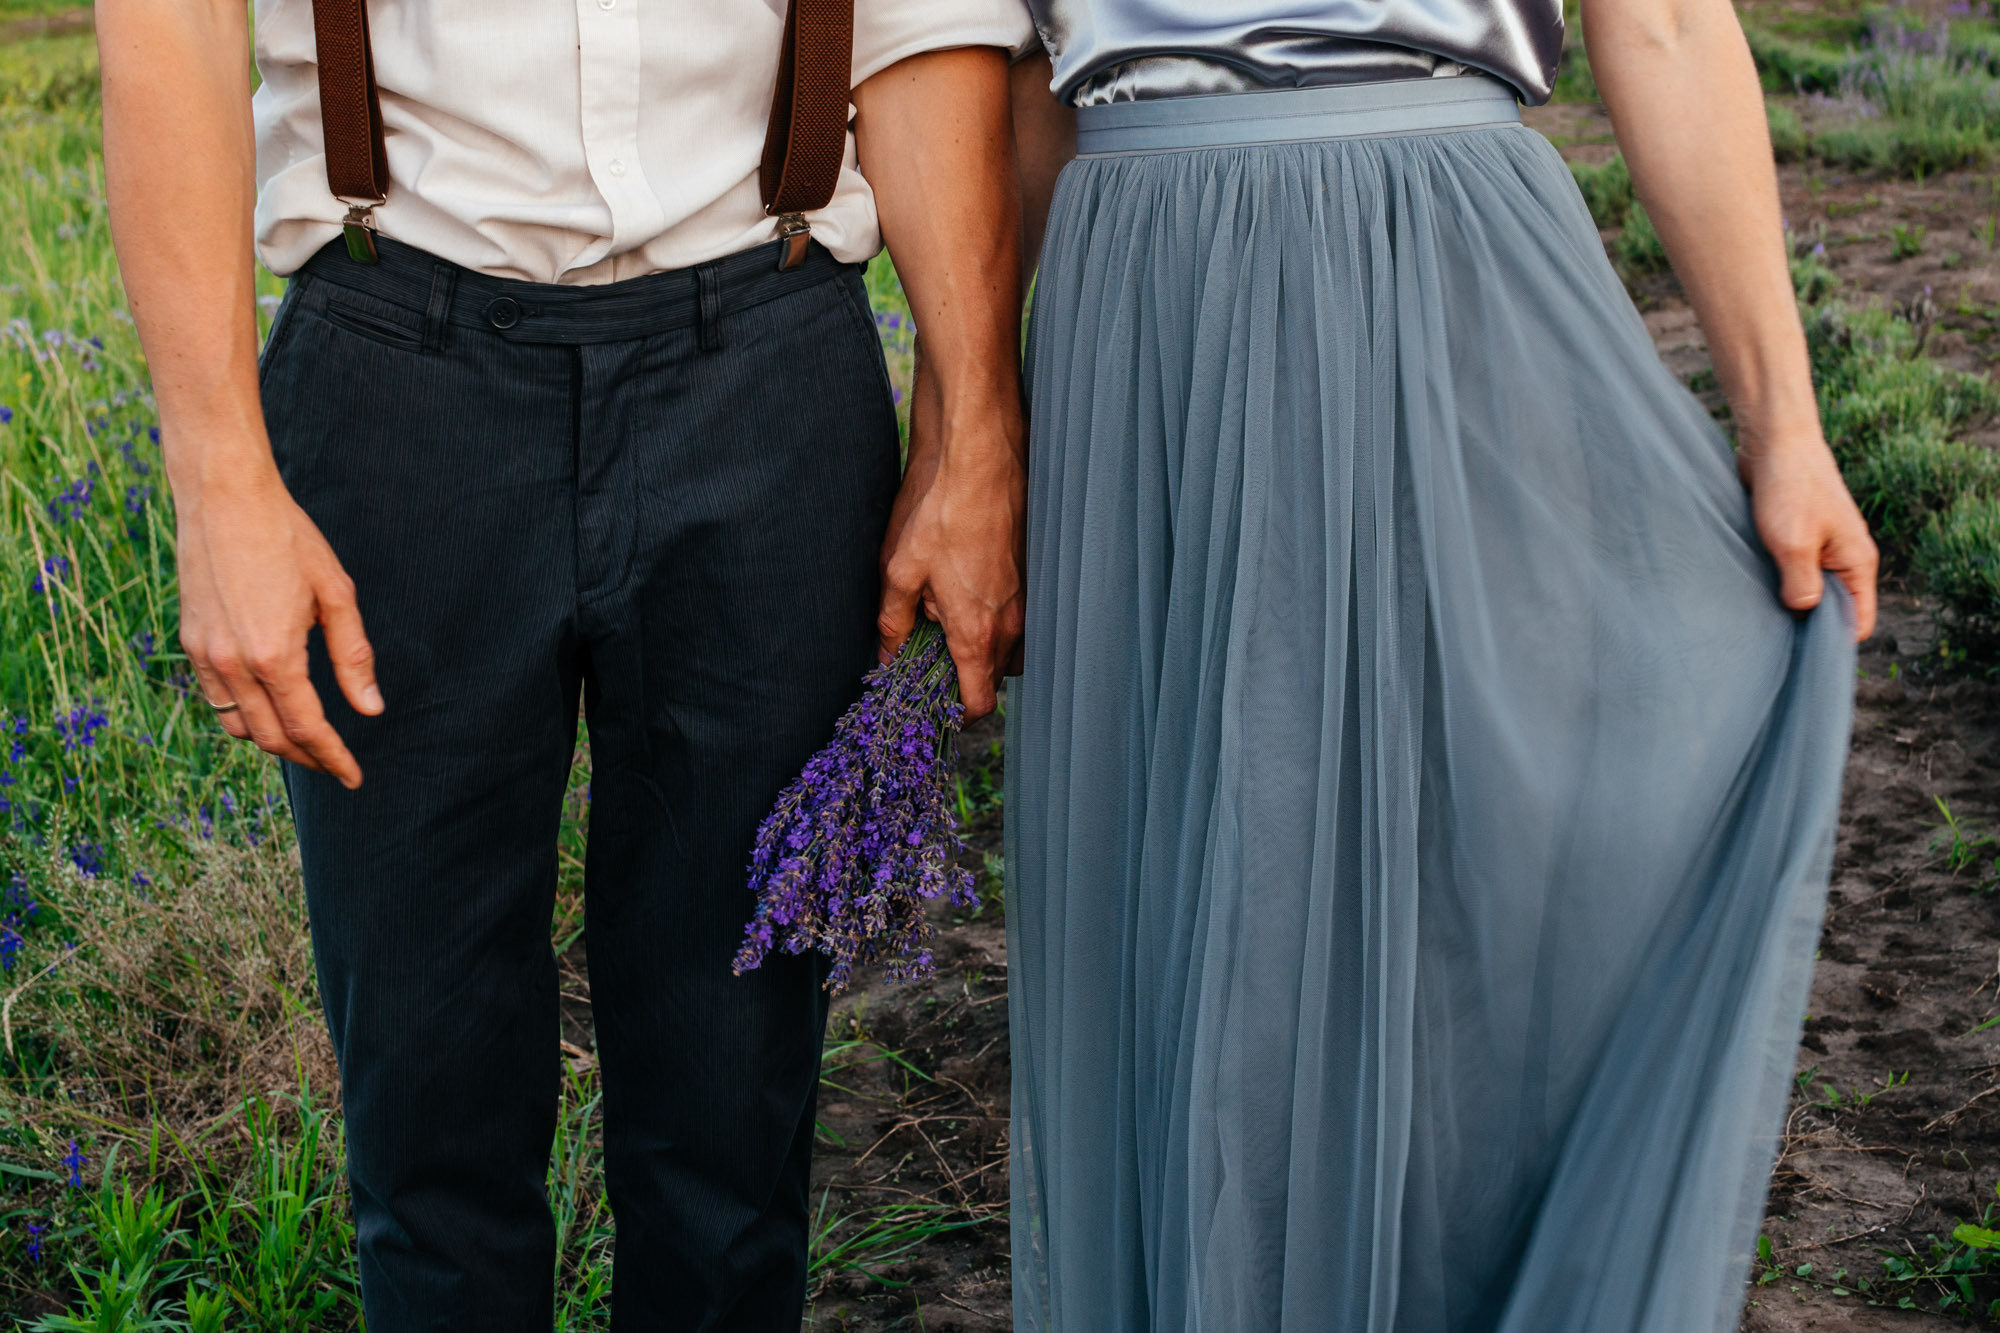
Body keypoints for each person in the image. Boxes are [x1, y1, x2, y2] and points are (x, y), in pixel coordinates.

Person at [96, 1, 1031, 1326]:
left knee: (735, 1116)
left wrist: (973, 421)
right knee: (428, 1118)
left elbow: (920, 22)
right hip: (397, 370)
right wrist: (216, 478)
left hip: (765, 373)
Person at [1003, 0, 1874, 1326]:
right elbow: (1017, 74)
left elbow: (1676, 21)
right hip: (1140, 298)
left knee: (1467, 865)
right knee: (1182, 881)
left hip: (1443, 259)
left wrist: (1786, 422)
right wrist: (982, 427)